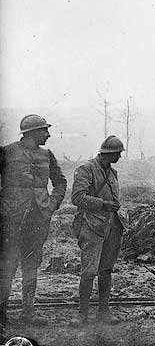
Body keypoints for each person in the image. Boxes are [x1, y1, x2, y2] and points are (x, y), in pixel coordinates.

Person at [0, 115, 67, 332]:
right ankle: (1, 317)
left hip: (38, 220)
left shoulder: (47, 155)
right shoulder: (7, 152)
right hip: (11, 220)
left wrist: (52, 204)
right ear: (32, 132)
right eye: (44, 131)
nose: (48, 134)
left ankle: (28, 312)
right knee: (7, 266)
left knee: (32, 264)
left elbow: (60, 182)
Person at [71, 136, 128, 325]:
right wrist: (103, 204)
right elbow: (77, 197)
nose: (120, 156)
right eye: (118, 153)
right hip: (91, 226)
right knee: (88, 272)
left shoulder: (113, 173)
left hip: (112, 226)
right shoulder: (86, 169)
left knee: (106, 270)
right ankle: (82, 315)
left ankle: (104, 312)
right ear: (109, 154)